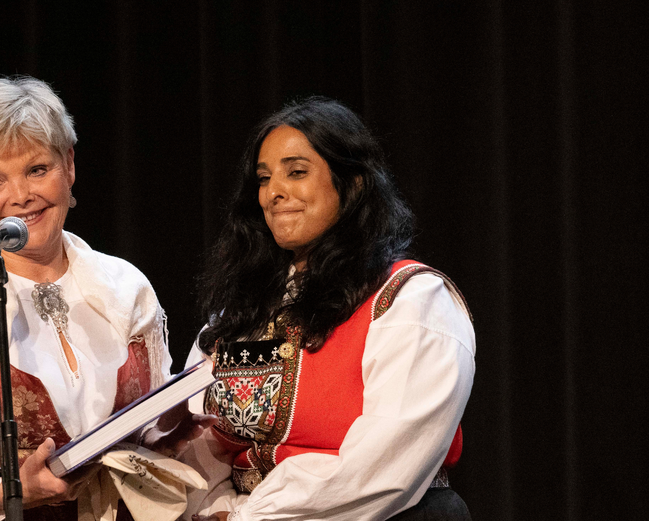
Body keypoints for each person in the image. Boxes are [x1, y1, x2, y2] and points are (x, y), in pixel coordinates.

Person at [0, 76, 210, 521]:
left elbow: (143, 425)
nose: (20, 196)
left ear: (68, 165)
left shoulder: (125, 288)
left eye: (37, 169)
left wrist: (164, 436)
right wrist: (8, 492)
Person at [180, 97, 475, 520]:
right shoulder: (240, 312)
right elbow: (195, 440)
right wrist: (214, 510)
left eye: (296, 172)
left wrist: (251, 518)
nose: (274, 192)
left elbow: (383, 469)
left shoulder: (411, 300)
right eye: (264, 179)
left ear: (352, 183)